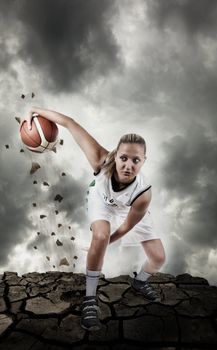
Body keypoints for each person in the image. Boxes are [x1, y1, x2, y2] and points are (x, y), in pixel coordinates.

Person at [21, 107, 166, 331]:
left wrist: (102, 246)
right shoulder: (101, 160)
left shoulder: (143, 194)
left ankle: (139, 281)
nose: (128, 165)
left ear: (144, 161)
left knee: (158, 258)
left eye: (135, 160)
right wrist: (33, 110)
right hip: (102, 199)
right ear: (116, 155)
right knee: (101, 234)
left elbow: (127, 225)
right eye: (124, 158)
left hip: (128, 207)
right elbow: (69, 123)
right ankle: (90, 299)